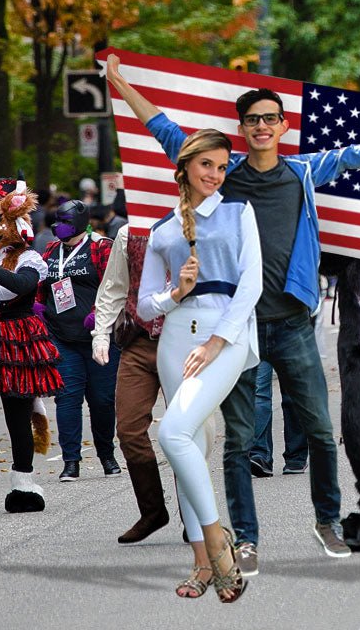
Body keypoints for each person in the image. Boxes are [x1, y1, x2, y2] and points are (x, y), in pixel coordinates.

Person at [106, 54, 360, 572]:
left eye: (271, 118)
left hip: (292, 324)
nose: (263, 126)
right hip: (237, 329)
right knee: (240, 441)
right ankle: (245, 539)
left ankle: (327, 522)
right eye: (253, 120)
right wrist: (120, 83)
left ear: (283, 125)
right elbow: (164, 130)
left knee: (318, 429)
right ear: (242, 129)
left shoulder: (304, 172)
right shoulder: (223, 177)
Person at [138, 128, 259, 601]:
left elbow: (251, 284)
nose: (215, 174)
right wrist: (176, 293)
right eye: (207, 164)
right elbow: (145, 306)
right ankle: (201, 565)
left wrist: (215, 341)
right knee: (189, 446)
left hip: (223, 336)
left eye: (222, 166)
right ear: (186, 166)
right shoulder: (163, 229)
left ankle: (218, 546)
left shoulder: (238, 211)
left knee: (172, 432)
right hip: (174, 339)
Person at [0, 177, 60, 515]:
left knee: (18, 417)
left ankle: (23, 484)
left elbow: (20, 287)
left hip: (16, 340)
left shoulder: (28, 258)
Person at [91, 224, 171, 543]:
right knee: (128, 428)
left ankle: (196, 514)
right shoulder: (128, 234)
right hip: (138, 343)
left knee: (185, 431)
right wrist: (100, 334)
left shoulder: (199, 225)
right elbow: (113, 288)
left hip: (182, 343)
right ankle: (152, 510)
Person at [39, 200, 120, 482]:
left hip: (100, 338)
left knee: (102, 400)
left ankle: (107, 455)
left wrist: (99, 315)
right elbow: (42, 285)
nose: (57, 225)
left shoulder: (101, 247)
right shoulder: (51, 250)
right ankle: (71, 460)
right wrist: (39, 307)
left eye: (64, 220)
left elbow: (116, 286)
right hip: (62, 337)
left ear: (79, 221)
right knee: (67, 399)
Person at [249, 359, 308, 476]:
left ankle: (296, 457)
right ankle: (260, 455)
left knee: (292, 394)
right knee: (259, 392)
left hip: (291, 341)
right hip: (261, 341)